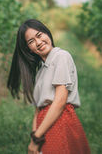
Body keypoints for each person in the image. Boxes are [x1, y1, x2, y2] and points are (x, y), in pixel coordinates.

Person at [7, 19, 91, 154]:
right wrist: (34, 138)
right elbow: (37, 110)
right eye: (31, 41)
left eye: (39, 35)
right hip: (44, 126)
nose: (38, 43)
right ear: (29, 49)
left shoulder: (60, 57)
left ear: (47, 33)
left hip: (60, 121)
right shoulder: (40, 71)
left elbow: (59, 101)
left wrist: (37, 137)